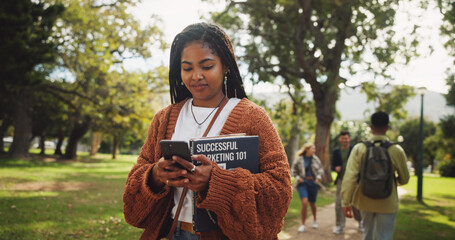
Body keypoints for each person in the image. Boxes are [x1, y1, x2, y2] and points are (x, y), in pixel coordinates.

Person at [123, 22, 292, 240]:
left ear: (226, 66)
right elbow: (133, 197)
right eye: (187, 68)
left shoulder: (253, 117)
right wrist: (155, 176)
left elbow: (280, 189)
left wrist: (217, 183)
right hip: (172, 232)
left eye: (207, 66)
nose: (196, 76)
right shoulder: (164, 119)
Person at [341, 111, 410, 240]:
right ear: (387, 128)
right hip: (388, 201)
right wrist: (392, 181)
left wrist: (346, 202)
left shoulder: (359, 148)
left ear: (371, 127)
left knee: (367, 234)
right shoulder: (396, 150)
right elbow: (405, 179)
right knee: (384, 236)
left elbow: (349, 177)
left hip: (364, 200)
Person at [331, 130, 363, 234]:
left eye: (346, 138)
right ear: (340, 139)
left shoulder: (354, 149)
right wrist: (335, 168)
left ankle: (360, 221)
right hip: (341, 180)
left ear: (349, 138)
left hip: (354, 180)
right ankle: (339, 225)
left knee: (356, 203)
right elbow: (332, 165)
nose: (344, 140)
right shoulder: (336, 151)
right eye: (342, 138)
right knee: (338, 203)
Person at [291, 142, 324, 233]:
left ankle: (315, 220)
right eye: (313, 148)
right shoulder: (299, 159)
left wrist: (318, 178)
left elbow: (321, 170)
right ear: (307, 149)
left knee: (312, 204)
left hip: (313, 183)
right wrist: (298, 178)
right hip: (303, 183)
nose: (314, 150)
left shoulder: (316, 159)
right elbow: (293, 170)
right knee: (305, 203)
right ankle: (303, 224)